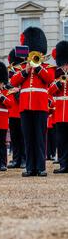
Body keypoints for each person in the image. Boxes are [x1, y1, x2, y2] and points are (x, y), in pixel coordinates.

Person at [11, 27, 55, 177]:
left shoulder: (47, 67)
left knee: (40, 138)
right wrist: (26, 70)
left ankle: (40, 167)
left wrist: (38, 67)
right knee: (28, 138)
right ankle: (30, 167)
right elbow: (13, 80)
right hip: (25, 107)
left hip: (40, 106)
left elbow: (49, 79)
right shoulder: (23, 67)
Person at [49, 41, 68, 173]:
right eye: (63, 65)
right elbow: (50, 91)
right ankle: (63, 164)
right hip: (60, 113)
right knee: (61, 140)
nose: (65, 67)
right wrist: (59, 83)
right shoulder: (57, 76)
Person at [7, 49, 26, 169]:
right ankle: (16, 159)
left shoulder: (25, 69)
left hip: (22, 106)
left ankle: (24, 159)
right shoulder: (12, 71)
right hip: (13, 109)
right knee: (14, 137)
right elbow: (9, 84)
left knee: (23, 136)